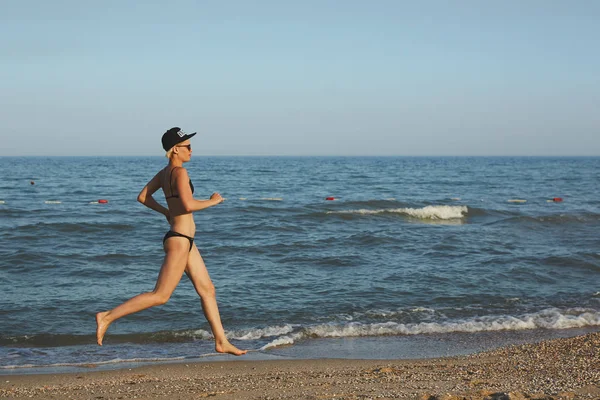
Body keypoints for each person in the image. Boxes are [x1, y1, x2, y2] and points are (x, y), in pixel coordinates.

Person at [95, 127, 247, 356]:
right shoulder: (180, 173)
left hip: (185, 240)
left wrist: (166, 211)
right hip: (179, 240)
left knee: (207, 290)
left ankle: (221, 341)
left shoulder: (165, 173)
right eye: (187, 146)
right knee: (161, 295)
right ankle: (107, 316)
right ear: (175, 149)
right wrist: (212, 201)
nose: (191, 150)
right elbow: (188, 205)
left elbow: (143, 197)